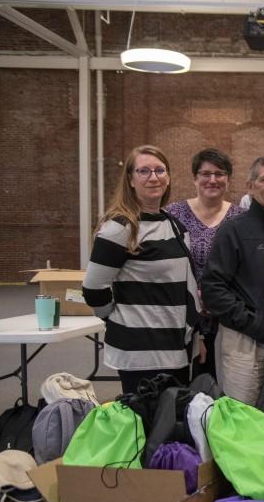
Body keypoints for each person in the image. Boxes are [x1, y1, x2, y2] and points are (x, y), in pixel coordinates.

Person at [83, 145, 200, 393]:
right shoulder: (120, 228)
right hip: (141, 352)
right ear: (130, 180)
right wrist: (118, 319)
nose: (153, 177)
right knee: (148, 425)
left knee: (171, 424)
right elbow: (93, 289)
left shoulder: (174, 225)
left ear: (168, 177)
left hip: (176, 346)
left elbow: (184, 285)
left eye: (160, 170)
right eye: (144, 171)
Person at [201, 156, 264, 405]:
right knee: (241, 419)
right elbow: (212, 288)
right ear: (250, 187)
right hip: (243, 342)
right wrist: (257, 323)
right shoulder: (234, 230)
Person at [165, 148, 243, 378]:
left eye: (219, 174)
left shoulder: (241, 217)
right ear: (194, 178)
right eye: (205, 174)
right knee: (182, 387)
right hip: (182, 317)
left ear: (228, 179)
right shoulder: (173, 215)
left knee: (223, 386)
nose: (212, 180)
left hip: (227, 318)